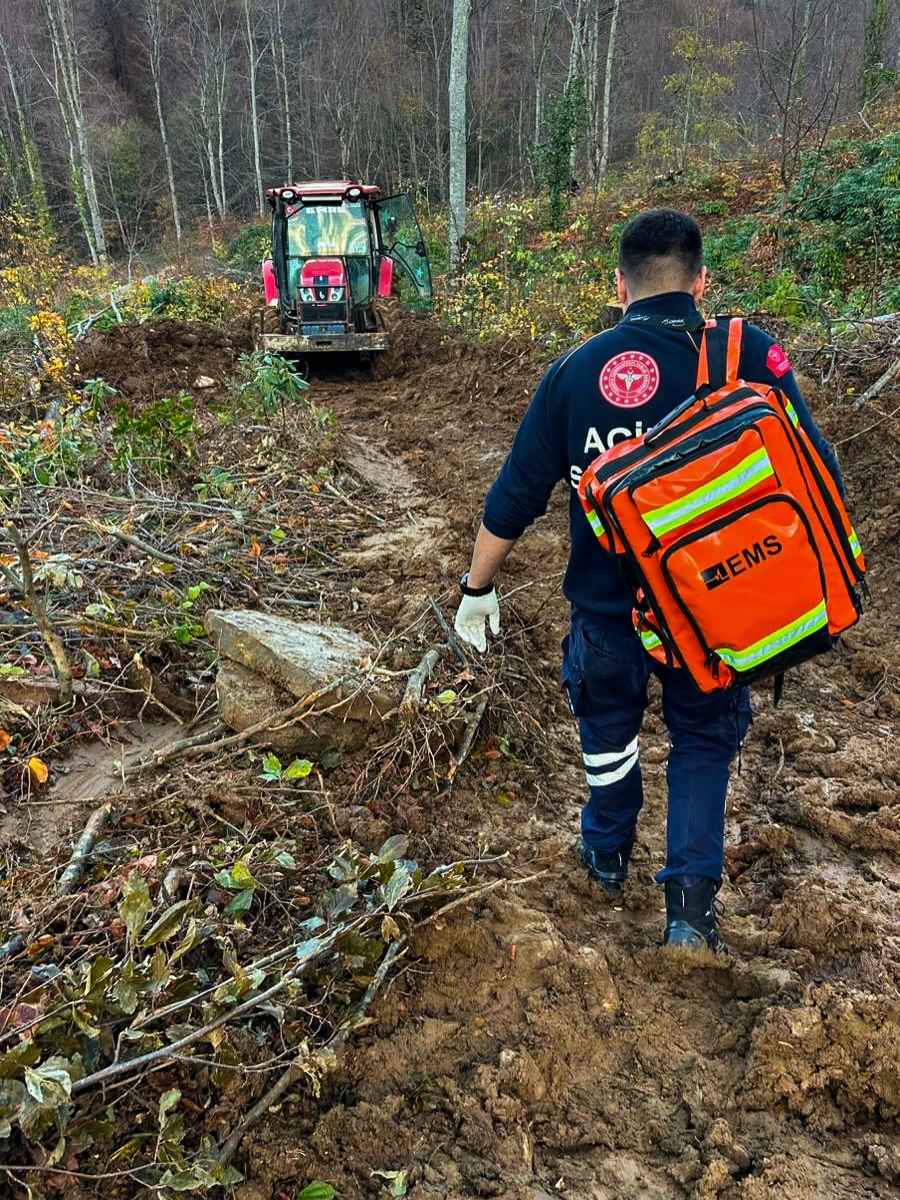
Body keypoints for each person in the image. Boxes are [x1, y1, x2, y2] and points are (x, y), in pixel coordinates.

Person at [453, 209, 843, 955]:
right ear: (701, 282)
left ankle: (606, 854)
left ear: (618, 286)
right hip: (716, 611)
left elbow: (514, 497)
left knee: (608, 732)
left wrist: (477, 591)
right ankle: (690, 915)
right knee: (701, 743)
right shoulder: (748, 356)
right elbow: (815, 469)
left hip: (608, 614)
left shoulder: (573, 374)